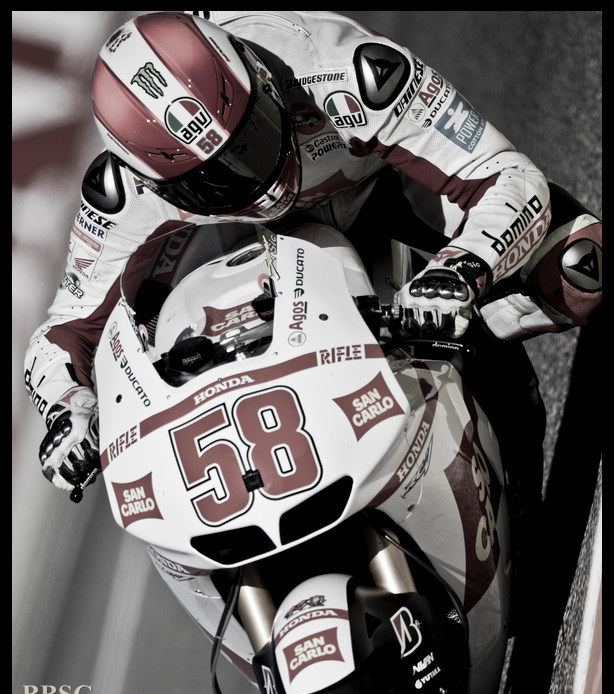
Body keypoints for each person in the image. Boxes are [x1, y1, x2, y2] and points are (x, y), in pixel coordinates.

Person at [24, 11, 601, 496]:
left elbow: (508, 177)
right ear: (153, 182)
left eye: (251, 134)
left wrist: (459, 272)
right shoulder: (122, 196)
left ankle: (473, 343)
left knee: (580, 264)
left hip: (383, 199)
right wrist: (67, 407)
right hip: (251, 291)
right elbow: (60, 334)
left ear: (257, 76)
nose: (254, 179)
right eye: (213, 180)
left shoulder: (343, 66)